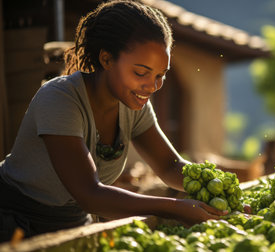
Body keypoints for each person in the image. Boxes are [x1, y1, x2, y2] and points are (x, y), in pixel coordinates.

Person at [0, 0, 236, 242]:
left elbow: (168, 165)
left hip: (73, 223)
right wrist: (173, 208)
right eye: (141, 73)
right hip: (14, 222)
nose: (152, 86)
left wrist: (215, 189)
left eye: (160, 75)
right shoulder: (60, 99)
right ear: (106, 59)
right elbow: (89, 194)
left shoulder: (134, 104)